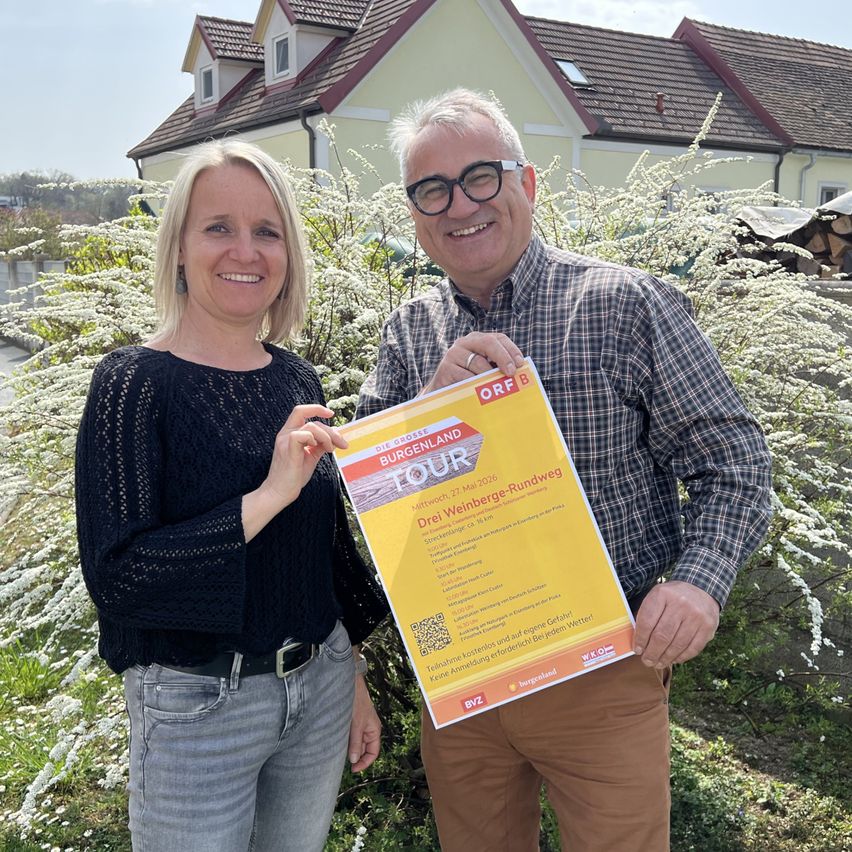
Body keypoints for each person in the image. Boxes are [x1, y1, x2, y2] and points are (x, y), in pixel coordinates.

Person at [356, 89, 773, 852]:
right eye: (432, 190)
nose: (460, 205)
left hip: (604, 673)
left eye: (482, 176)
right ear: (415, 214)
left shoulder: (626, 305)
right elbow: (368, 507)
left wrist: (698, 582)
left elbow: (734, 460)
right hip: (465, 679)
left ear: (528, 184)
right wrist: (426, 414)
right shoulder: (408, 333)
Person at [75, 139, 389, 852]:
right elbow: (122, 579)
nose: (244, 250)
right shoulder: (132, 385)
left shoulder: (297, 380)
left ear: (289, 255)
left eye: (267, 231)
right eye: (219, 227)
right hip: (195, 708)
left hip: (318, 691)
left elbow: (323, 554)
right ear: (179, 246)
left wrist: (354, 676)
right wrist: (269, 494)